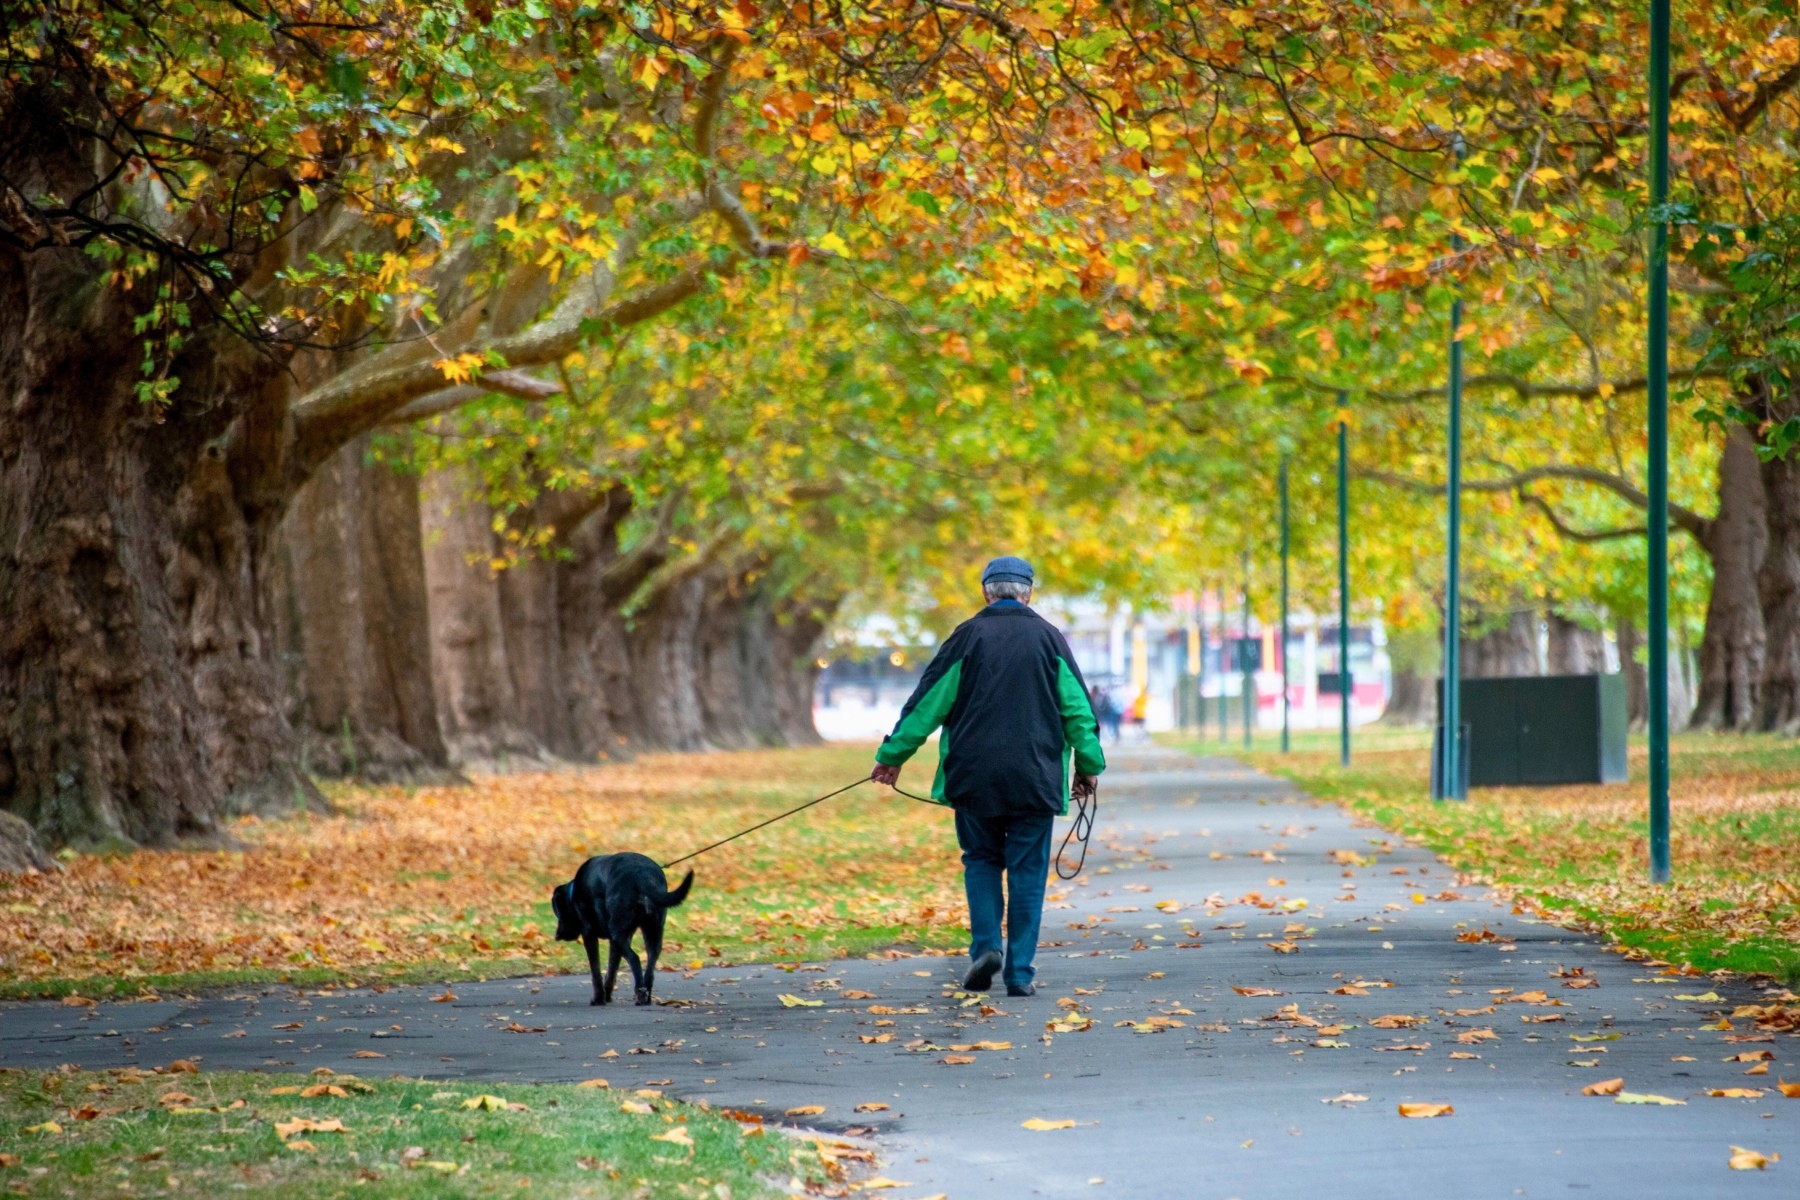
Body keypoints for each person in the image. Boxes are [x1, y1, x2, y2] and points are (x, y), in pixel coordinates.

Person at [869, 556, 1105, 997]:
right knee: (1028, 871)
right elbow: (1078, 711)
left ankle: (985, 949)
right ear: (1029, 592)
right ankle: (1019, 975)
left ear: (985, 592)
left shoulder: (966, 637)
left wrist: (891, 757)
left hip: (973, 777)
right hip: (1035, 776)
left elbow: (927, 706)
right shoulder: (1049, 639)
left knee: (980, 861)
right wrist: (1088, 767)